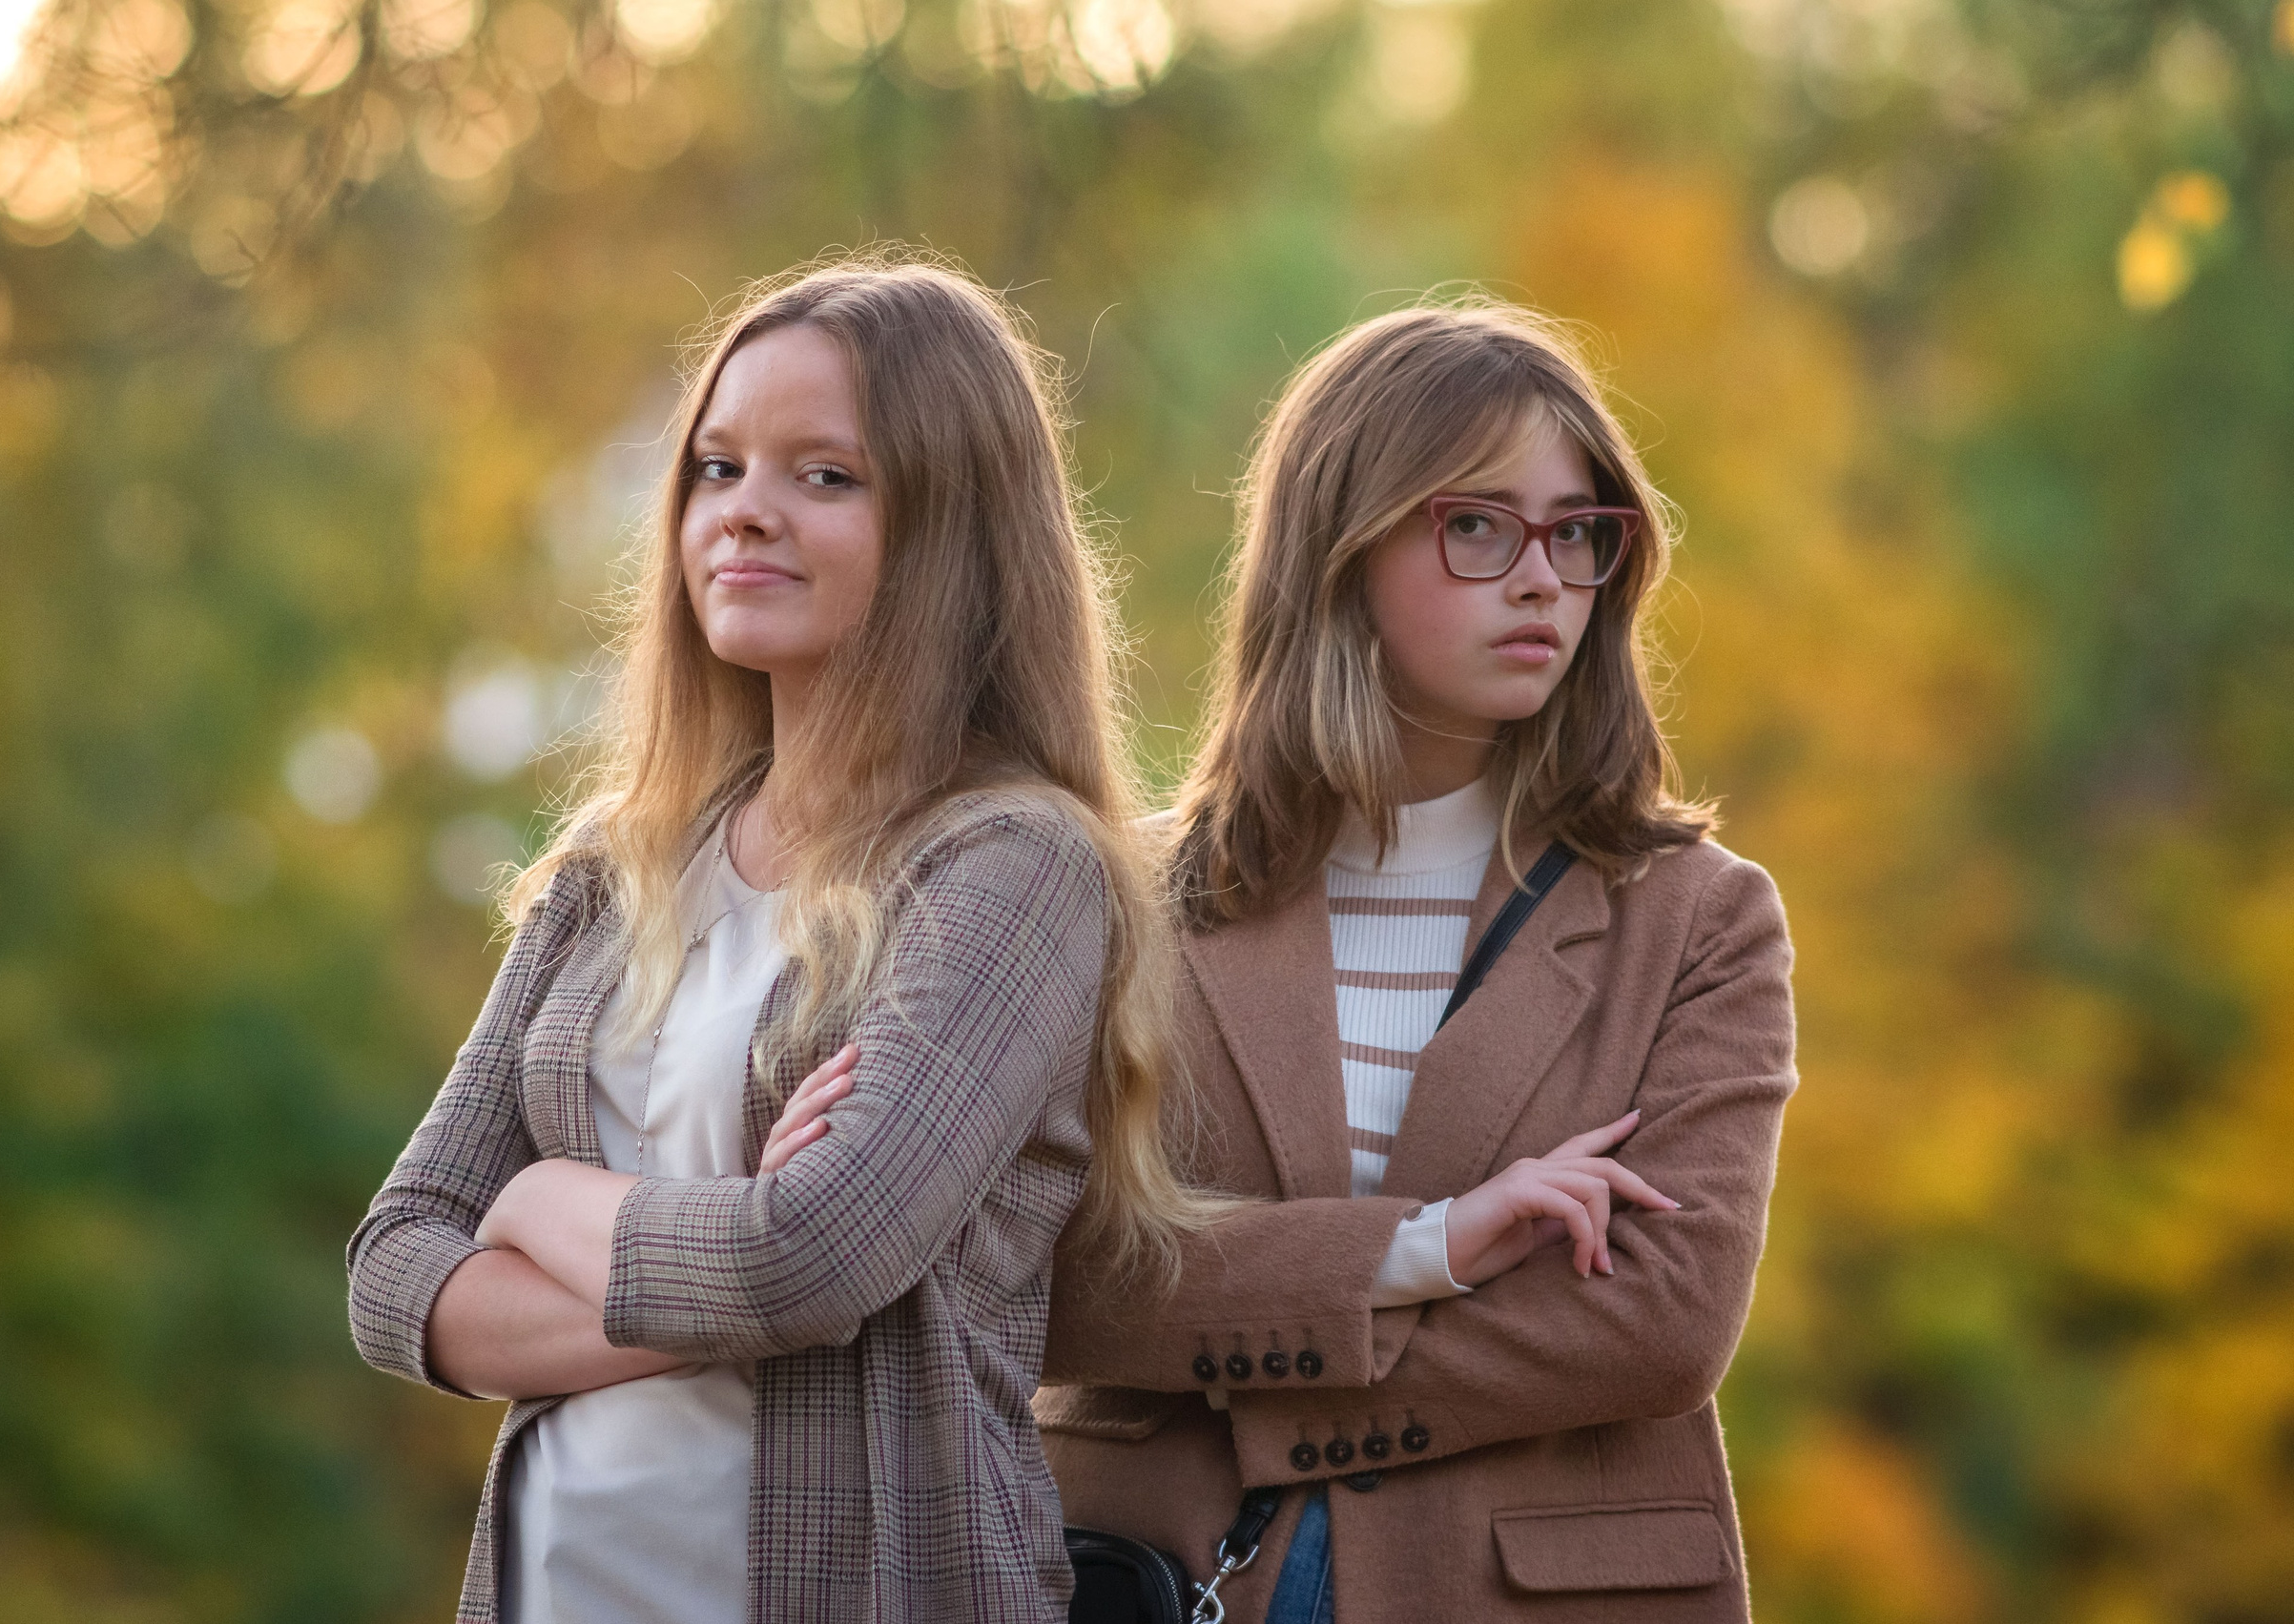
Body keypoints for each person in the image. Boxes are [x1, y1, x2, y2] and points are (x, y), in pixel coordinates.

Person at [344, 256, 1205, 1624]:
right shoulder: (610, 872)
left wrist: (536, 1208)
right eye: (717, 467)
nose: (744, 515)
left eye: (825, 476)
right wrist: (725, 1272)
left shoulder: (1014, 867)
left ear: (950, 530)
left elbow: (811, 1259)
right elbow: (394, 1270)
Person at [1035, 300, 1798, 1621]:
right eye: (1479, 525)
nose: (1544, 577)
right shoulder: (1122, 903)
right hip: (1172, 1579)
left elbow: (1662, 1320)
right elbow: (1052, 1278)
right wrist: (1423, 1250)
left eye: (1580, 532)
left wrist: (1261, 1371)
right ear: (1340, 551)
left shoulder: (1698, 920)